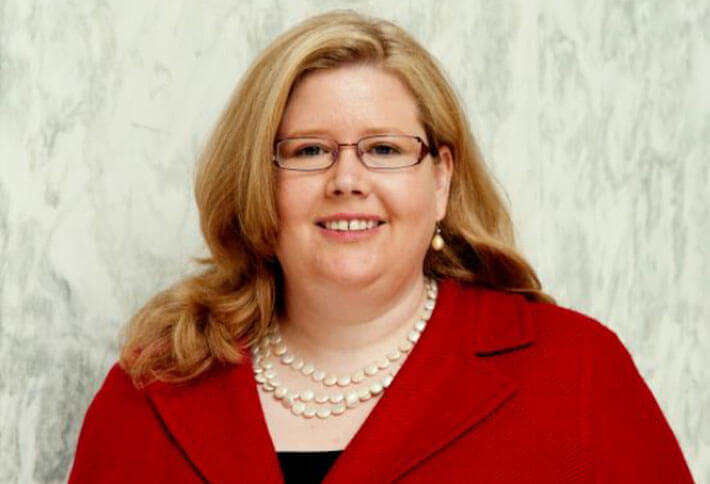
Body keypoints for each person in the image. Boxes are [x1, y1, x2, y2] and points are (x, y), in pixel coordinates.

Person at [67, 9, 694, 484]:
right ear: (258, 180)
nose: (347, 180)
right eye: (310, 150)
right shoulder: (152, 389)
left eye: (385, 149)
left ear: (440, 179)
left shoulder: (576, 373)